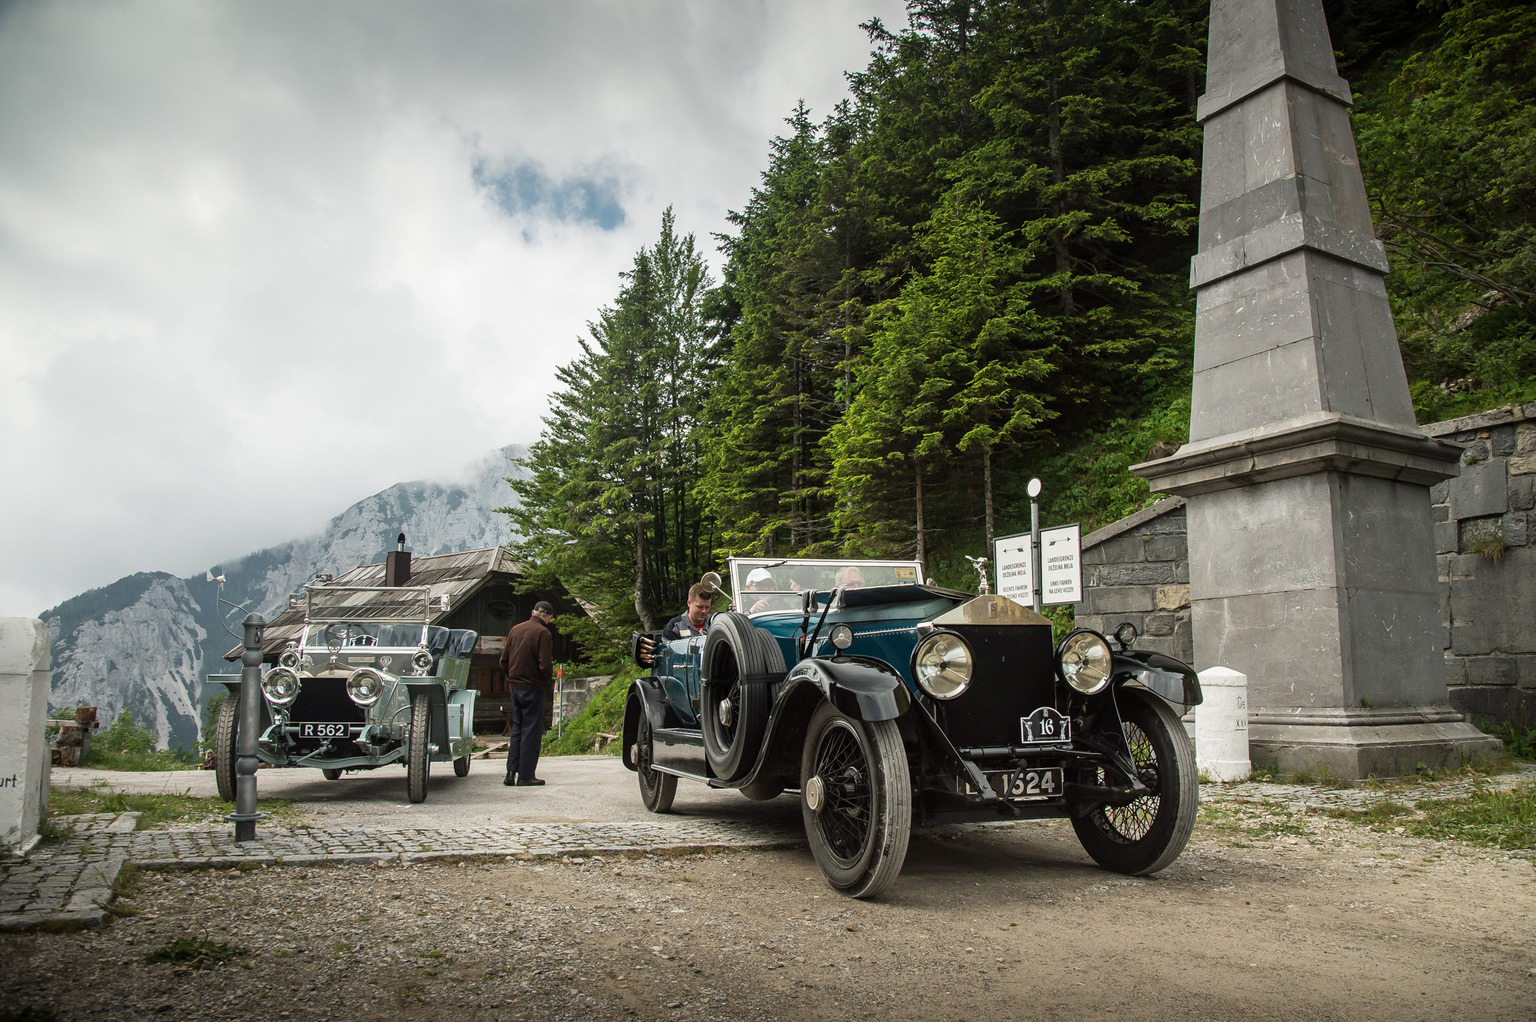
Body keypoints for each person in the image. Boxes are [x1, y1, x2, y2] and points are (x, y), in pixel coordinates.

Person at [499, 601, 554, 787]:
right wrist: (547, 682)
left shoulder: (515, 629)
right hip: (533, 687)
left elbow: (503, 660)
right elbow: (545, 665)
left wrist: (511, 678)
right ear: (549, 617)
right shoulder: (543, 633)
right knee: (531, 731)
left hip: (515, 687)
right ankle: (526, 775)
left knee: (517, 729)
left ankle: (510, 772)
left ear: (533, 612)